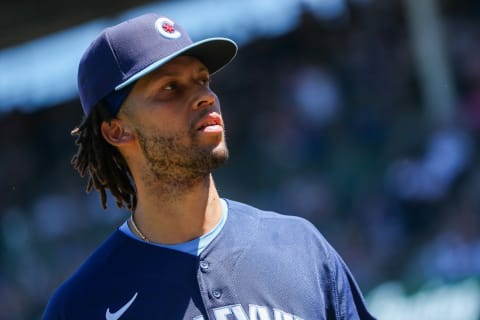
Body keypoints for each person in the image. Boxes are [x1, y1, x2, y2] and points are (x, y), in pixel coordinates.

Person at [42, 13, 376, 320]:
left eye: (203, 80)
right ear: (117, 130)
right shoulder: (79, 306)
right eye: (170, 88)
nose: (205, 96)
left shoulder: (302, 247)